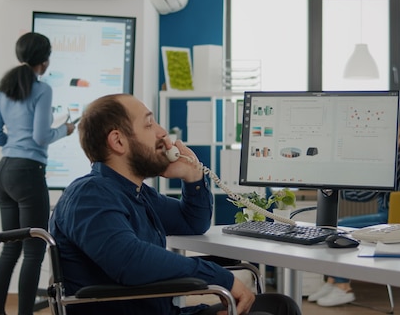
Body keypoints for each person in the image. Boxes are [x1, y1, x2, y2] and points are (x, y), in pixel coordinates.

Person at [49, 94, 301, 315]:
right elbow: (129, 261)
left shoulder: (135, 193)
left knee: (279, 306)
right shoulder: (90, 195)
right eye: (149, 124)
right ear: (118, 141)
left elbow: (192, 222)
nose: (162, 133)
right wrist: (221, 277)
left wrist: (192, 177)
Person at [308, 108, 400, 307]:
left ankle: (342, 286)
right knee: (337, 228)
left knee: (336, 229)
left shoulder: (396, 160)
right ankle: (333, 281)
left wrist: (336, 188)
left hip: (392, 221)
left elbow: (364, 195)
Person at [0, 32, 76, 315]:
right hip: (27, 173)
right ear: (45, 61)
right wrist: (66, 129)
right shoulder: (42, 89)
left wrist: (14, 146)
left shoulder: (4, 88)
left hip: (4, 171)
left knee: (10, 249)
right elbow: (40, 136)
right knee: (34, 250)